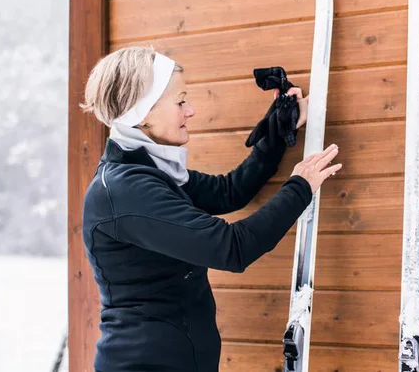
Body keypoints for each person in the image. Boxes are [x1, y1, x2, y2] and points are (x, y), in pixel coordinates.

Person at [79, 45, 341, 371]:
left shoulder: (149, 171)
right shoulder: (124, 191)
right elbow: (232, 248)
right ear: (143, 113)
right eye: (180, 102)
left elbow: (228, 191)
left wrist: (277, 129)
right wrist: (300, 186)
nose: (191, 111)